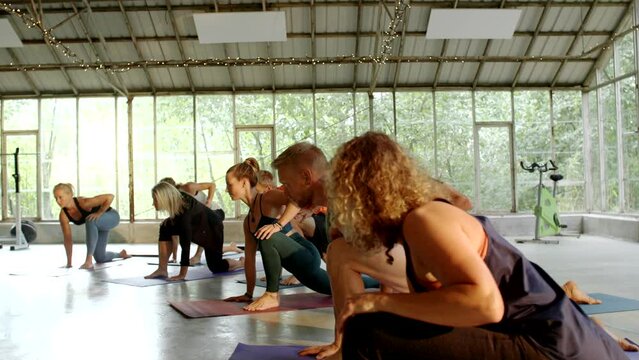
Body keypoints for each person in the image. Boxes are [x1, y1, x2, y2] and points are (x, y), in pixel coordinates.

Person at [300, 132, 626, 359]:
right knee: (377, 326)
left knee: (369, 333)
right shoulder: (413, 225)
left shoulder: (426, 220)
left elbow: (486, 304)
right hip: (544, 339)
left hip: (554, 348)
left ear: (362, 192)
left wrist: (379, 302)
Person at [222, 158, 334, 311]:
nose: (227, 189)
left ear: (244, 182)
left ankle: (272, 295)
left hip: (306, 254)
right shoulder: (248, 221)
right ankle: (377, 280)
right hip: (298, 268)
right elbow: (249, 259)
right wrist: (248, 293)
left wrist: (278, 224)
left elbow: (298, 199)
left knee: (269, 235)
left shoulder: (267, 198)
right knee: (339, 285)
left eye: (229, 184)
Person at [144, 181, 243, 280]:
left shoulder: (185, 213)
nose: (153, 203)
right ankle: (162, 269)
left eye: (155, 200)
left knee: (216, 266)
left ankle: (241, 262)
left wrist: (182, 274)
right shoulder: (178, 199)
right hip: (199, 225)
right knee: (165, 227)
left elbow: (185, 246)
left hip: (213, 227)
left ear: (163, 199)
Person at [159, 177, 243, 265]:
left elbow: (212, 185)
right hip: (202, 218)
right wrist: (174, 257)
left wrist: (208, 202)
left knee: (201, 227)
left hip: (215, 212)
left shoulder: (188, 187)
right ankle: (231, 247)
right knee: (212, 248)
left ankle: (198, 256)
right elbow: (175, 235)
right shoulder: (174, 202)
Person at [53, 183, 129, 269]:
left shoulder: (84, 203)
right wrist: (69, 263)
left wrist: (99, 213)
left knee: (89, 220)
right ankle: (121, 254)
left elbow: (110, 197)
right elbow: (68, 239)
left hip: (111, 217)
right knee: (100, 258)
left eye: (60, 197)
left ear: (70, 195)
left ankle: (88, 261)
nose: (58, 201)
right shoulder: (63, 215)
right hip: (98, 225)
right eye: (56, 198)